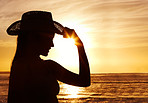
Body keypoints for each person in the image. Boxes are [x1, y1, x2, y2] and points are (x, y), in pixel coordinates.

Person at [7, 11, 90, 103]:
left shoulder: (17, 66)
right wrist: (79, 45)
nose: (52, 44)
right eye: (49, 39)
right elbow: (84, 81)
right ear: (33, 38)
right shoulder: (48, 67)